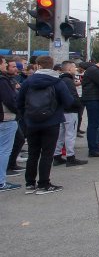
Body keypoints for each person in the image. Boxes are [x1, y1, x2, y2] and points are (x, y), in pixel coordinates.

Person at [16, 56, 75, 195]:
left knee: (33, 153)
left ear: (38, 66)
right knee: (47, 154)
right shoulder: (57, 82)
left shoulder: (28, 82)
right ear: (52, 65)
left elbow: (19, 101)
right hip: (51, 121)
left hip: (31, 122)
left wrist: (27, 115)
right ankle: (44, 184)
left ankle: (30, 184)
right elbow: (68, 101)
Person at [53, 61, 87, 167]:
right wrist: (78, 105)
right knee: (70, 134)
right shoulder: (68, 81)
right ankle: (70, 157)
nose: (75, 69)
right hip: (70, 111)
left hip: (62, 110)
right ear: (69, 69)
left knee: (61, 134)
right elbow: (73, 96)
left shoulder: (60, 80)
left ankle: (57, 156)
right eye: (74, 68)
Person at [0, 56, 21, 192]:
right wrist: (19, 111)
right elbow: (10, 100)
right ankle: (1, 182)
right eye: (5, 63)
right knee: (4, 150)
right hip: (5, 118)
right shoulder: (2, 81)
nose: (6, 65)